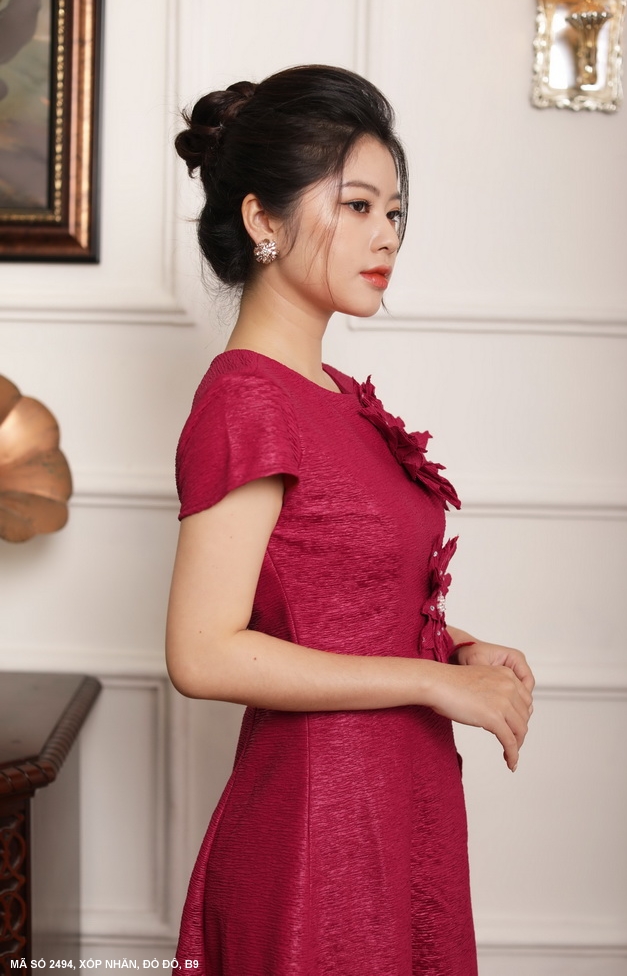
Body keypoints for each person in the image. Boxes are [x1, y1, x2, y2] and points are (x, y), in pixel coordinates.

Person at [166, 64, 534, 976]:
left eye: (394, 212)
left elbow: (335, 598)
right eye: (358, 206)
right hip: (316, 834)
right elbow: (202, 653)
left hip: (395, 805)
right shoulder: (248, 401)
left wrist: (456, 648)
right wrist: (432, 684)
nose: (387, 236)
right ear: (262, 219)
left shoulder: (330, 394)